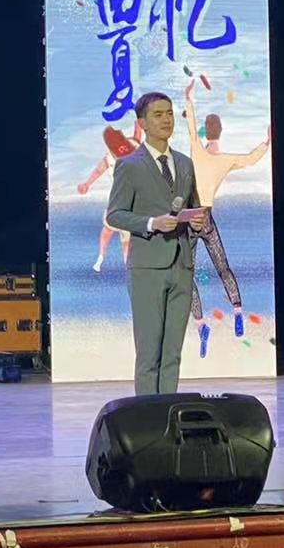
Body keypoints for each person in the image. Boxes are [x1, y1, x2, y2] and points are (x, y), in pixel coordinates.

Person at [104, 91, 206, 395]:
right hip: (147, 267)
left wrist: (197, 222)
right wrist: (151, 223)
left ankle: (169, 411)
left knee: (172, 353)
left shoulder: (184, 163)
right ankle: (148, 417)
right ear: (142, 123)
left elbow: (191, 206)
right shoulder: (129, 165)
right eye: (158, 114)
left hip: (182, 264)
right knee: (149, 353)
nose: (166, 119)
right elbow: (115, 214)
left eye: (169, 113)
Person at [182, 83, 271, 333]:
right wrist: (267, 142)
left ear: (206, 131)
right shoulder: (225, 160)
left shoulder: (197, 150)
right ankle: (238, 310)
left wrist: (188, 98)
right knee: (223, 267)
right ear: (220, 132)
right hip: (206, 218)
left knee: (187, 274)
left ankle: (200, 323)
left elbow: (191, 126)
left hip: (191, 217)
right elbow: (250, 159)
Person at [77, 124, 141, 272]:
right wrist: (87, 184)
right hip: (118, 201)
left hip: (131, 203)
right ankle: (101, 256)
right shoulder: (110, 158)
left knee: (125, 239)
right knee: (108, 230)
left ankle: (128, 267)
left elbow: (137, 135)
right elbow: (98, 171)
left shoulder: (134, 149)